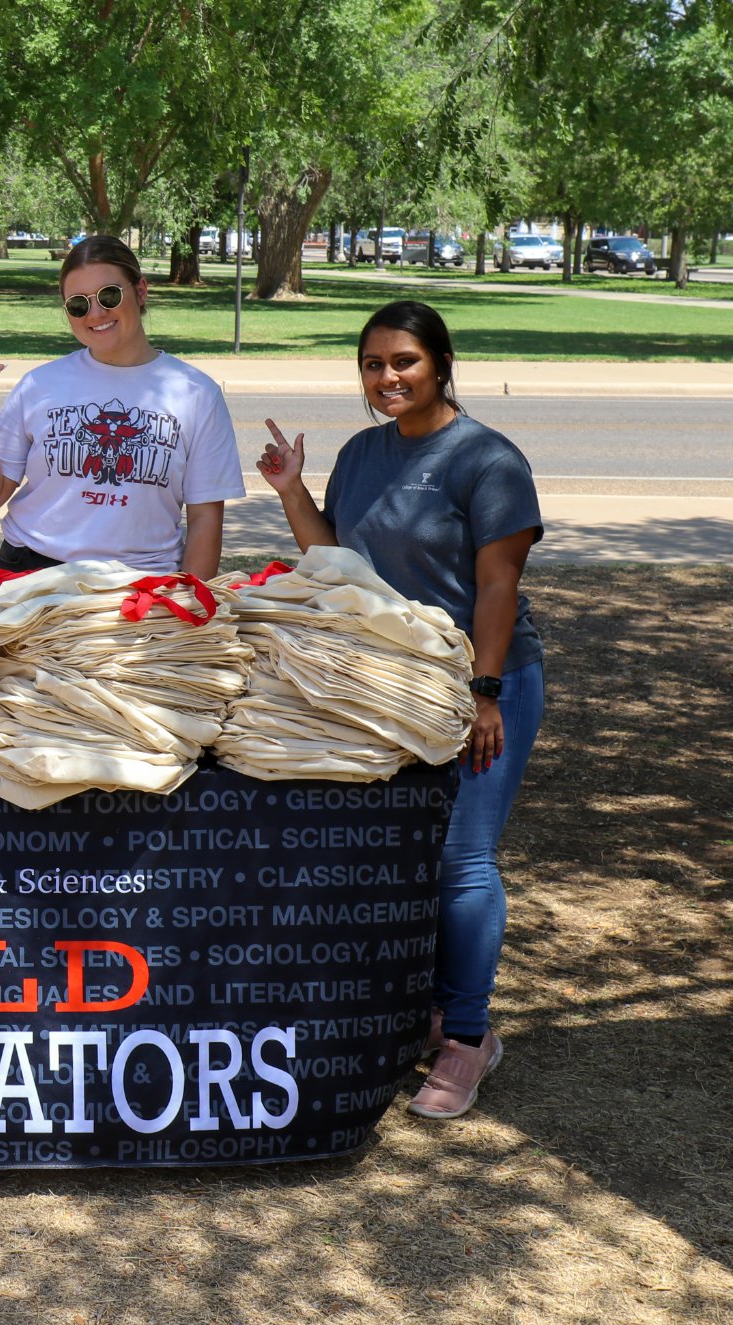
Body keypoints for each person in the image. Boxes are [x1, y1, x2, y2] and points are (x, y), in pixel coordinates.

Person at [258, 298, 543, 1121]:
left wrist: (484, 694)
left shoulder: (487, 459)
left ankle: (466, 1035)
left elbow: (498, 586)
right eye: (374, 364)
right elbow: (337, 560)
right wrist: (290, 490)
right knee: (404, 854)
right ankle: (426, 1008)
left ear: (440, 364)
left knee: (461, 859)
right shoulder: (361, 453)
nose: (388, 378)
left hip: (485, 682)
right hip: (389, 688)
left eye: (405, 362)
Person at [0, 235, 244, 587]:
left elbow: (205, 520)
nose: (96, 314)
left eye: (109, 296)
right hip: (32, 575)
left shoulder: (197, 394)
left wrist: (186, 604)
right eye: (78, 305)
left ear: (141, 291)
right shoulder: (40, 385)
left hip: (141, 584)